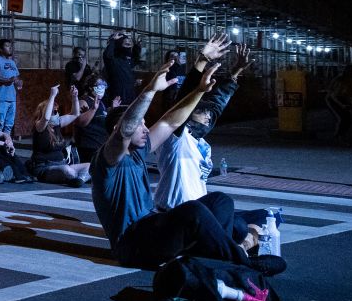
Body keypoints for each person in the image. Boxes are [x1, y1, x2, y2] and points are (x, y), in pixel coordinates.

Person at [90, 60, 267, 270]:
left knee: (220, 201)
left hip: (153, 229)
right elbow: (126, 129)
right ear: (117, 128)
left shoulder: (138, 153)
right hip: (133, 245)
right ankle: (239, 261)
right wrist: (149, 90)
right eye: (141, 124)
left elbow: (170, 122)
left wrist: (200, 91)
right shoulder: (107, 160)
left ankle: (214, 258)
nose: (146, 129)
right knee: (194, 211)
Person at [153, 41, 272, 248]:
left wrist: (236, 71)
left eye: (210, 117)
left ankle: (237, 244)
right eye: (201, 114)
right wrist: (202, 60)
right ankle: (237, 248)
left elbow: (217, 103)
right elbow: (183, 100)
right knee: (241, 227)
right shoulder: (176, 138)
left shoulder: (201, 142)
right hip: (177, 214)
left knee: (265, 215)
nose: (207, 119)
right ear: (188, 116)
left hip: (202, 211)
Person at [29, 85, 90, 186]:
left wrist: (75, 97)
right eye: (55, 111)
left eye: (57, 111)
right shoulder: (40, 126)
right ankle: (76, 178)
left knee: (89, 166)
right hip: (45, 168)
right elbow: (46, 118)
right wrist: (52, 96)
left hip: (62, 164)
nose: (57, 114)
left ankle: (78, 180)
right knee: (67, 170)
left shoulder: (57, 123)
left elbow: (75, 114)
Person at [73, 75, 118, 163]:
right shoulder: (84, 101)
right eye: (99, 86)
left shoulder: (100, 103)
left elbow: (101, 117)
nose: (102, 88)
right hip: (89, 146)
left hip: (101, 145)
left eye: (104, 86)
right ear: (90, 87)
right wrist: (93, 109)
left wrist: (112, 109)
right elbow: (80, 122)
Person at [0, 39, 21, 133]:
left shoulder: (12, 62)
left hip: (12, 98)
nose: (10, 48)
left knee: (9, 124)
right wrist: (7, 81)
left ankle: (6, 145)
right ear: (0, 49)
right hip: (1, 98)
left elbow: (16, 77)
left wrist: (18, 82)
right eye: (7, 46)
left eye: (10, 46)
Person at [102, 30, 142, 104]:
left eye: (130, 45)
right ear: (119, 45)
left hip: (130, 97)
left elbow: (136, 59)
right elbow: (107, 56)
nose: (129, 47)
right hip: (118, 99)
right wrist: (113, 41)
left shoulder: (126, 60)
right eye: (126, 44)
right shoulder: (113, 61)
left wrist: (137, 46)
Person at [326, 65, 352, 143]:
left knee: (348, 118)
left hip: (342, 98)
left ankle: (341, 135)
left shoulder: (351, 81)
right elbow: (333, 95)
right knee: (341, 117)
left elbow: (350, 94)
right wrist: (342, 105)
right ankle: (337, 135)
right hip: (332, 99)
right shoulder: (340, 80)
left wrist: (351, 103)